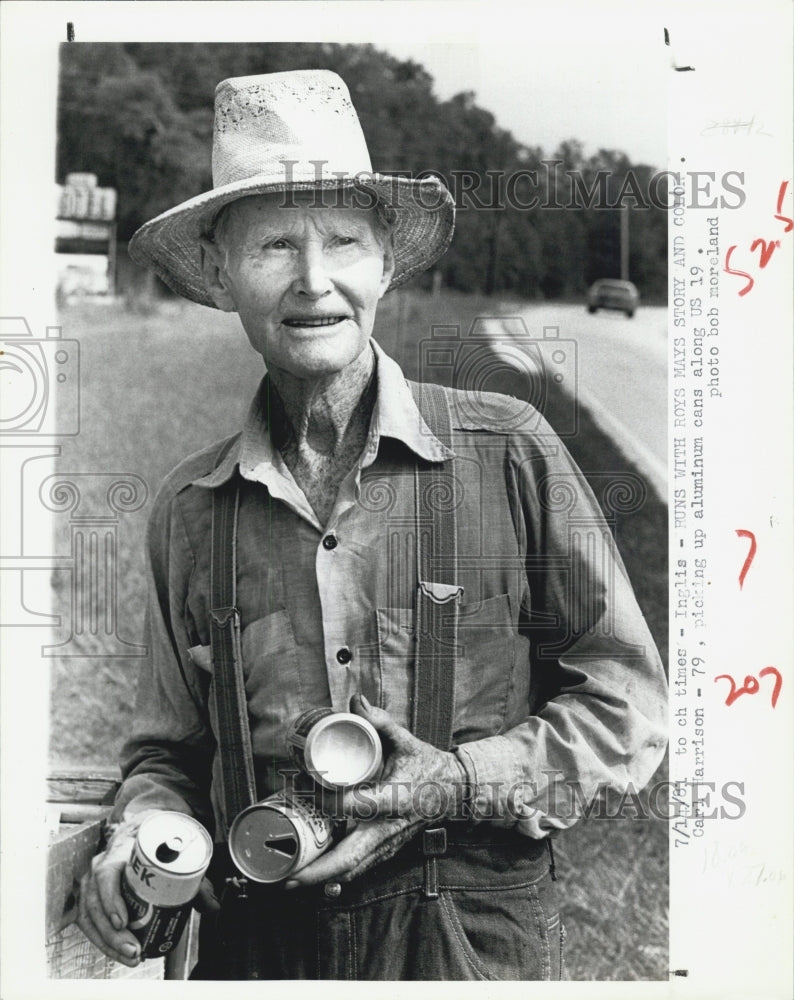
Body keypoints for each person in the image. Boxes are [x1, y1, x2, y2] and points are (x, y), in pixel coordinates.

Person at [76, 69, 667, 980]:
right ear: (226, 275)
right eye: (273, 246)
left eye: (343, 242)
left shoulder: (506, 449)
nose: (314, 281)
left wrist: (457, 782)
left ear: (384, 263)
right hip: (258, 950)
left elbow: (627, 710)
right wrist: (146, 833)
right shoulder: (190, 511)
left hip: (466, 946)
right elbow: (164, 754)